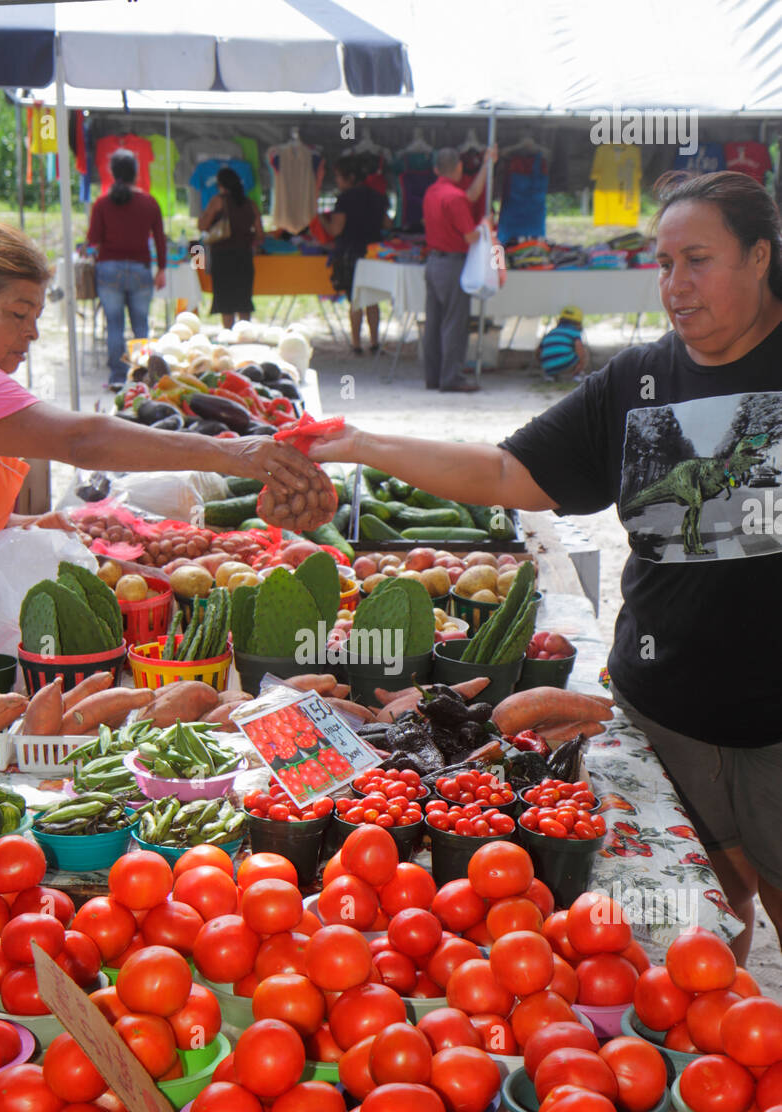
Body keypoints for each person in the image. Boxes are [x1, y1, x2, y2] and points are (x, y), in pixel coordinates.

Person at [310, 171, 782, 962]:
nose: (674, 286)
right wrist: (358, 442)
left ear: (761, 256)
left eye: (697, 260)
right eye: (663, 264)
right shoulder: (638, 382)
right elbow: (502, 473)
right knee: (702, 938)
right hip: (666, 714)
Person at [0, 223, 318, 668]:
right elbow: (82, 440)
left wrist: (22, 522)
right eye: (17, 314)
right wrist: (233, 453)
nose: (31, 333)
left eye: (36, 318)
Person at [87, 150, 166, 391]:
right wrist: (161, 268)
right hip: (141, 270)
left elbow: (93, 240)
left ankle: (118, 377)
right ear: (137, 172)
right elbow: (160, 239)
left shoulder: (102, 203)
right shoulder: (149, 202)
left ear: (111, 172)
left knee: (114, 326)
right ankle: (146, 376)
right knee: (141, 325)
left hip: (109, 269)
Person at [422, 145, 496, 393]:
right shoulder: (454, 198)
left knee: (433, 323)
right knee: (455, 323)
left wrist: (487, 165)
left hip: (433, 263)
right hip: (453, 264)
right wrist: (485, 227)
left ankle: (433, 377)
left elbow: (470, 196)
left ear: (435, 169)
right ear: (460, 167)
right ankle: (451, 378)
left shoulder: (432, 192)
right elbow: (470, 237)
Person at [321, 155, 388, 354]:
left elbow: (335, 230)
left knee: (356, 298)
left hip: (351, 253)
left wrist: (320, 220)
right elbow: (387, 224)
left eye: (339, 178)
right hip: (373, 253)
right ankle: (375, 342)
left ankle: (357, 344)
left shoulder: (345, 199)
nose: (337, 182)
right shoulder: (377, 197)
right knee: (372, 299)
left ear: (350, 177)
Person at [198, 168, 263, 329]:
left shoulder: (218, 201)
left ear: (220, 185)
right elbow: (260, 234)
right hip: (244, 258)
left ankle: (229, 336)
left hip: (223, 258)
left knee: (226, 303)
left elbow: (203, 226)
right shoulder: (250, 204)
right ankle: (245, 336)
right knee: (243, 302)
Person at [536, 305, 589, 381]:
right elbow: (579, 348)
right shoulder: (574, 332)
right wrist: (581, 364)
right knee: (584, 351)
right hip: (566, 367)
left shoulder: (551, 332)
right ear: (578, 323)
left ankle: (550, 376)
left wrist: (544, 363)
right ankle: (577, 374)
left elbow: (538, 351)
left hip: (548, 368)